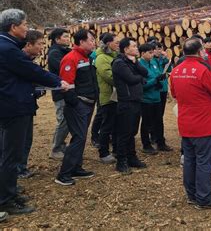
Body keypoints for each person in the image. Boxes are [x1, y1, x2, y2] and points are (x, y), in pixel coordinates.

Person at [0, 9, 66, 214]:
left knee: (9, 152)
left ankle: (9, 191)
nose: (27, 28)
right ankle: (5, 200)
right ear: (13, 27)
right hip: (13, 106)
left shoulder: (8, 45)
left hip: (12, 104)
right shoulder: (7, 49)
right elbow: (31, 71)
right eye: (25, 24)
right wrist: (57, 81)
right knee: (11, 154)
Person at [170, 38, 211, 209]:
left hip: (186, 123)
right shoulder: (203, 70)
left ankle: (191, 194)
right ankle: (203, 198)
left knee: (189, 160)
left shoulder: (176, 70)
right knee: (203, 162)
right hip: (203, 124)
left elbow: (173, 93)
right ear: (200, 51)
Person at [55, 29, 98, 186]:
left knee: (81, 137)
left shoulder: (88, 57)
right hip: (78, 104)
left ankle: (76, 167)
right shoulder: (71, 58)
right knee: (78, 137)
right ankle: (63, 174)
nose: (94, 43)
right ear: (81, 42)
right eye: (91, 40)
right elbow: (66, 84)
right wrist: (75, 103)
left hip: (88, 102)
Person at [112, 38, 148, 174]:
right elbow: (131, 79)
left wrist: (136, 65)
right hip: (126, 101)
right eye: (134, 46)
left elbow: (144, 72)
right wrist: (140, 78)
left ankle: (132, 157)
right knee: (124, 132)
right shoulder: (119, 63)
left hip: (136, 100)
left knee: (132, 131)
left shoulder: (132, 62)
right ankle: (121, 161)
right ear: (126, 49)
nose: (137, 48)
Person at [17, 30, 47, 179]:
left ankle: (21, 168)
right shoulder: (18, 62)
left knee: (26, 139)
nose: (42, 47)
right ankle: (16, 170)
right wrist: (36, 91)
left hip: (28, 106)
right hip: (17, 108)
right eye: (40, 44)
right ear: (29, 44)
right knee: (17, 141)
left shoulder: (30, 60)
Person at [47, 27, 71, 160]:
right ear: (57, 39)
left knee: (66, 120)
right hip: (60, 91)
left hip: (67, 90)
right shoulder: (55, 53)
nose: (68, 39)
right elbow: (63, 71)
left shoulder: (64, 51)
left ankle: (61, 145)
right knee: (63, 120)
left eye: (68, 36)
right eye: (65, 37)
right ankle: (55, 149)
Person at [95, 33, 119, 164]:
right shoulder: (101, 58)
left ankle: (116, 149)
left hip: (117, 96)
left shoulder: (114, 56)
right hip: (108, 96)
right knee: (107, 125)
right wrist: (124, 79)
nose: (118, 45)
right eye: (116, 42)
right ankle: (103, 152)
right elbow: (109, 76)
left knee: (116, 125)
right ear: (109, 43)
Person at [138, 43, 163, 155]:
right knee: (146, 123)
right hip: (146, 99)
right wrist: (155, 81)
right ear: (143, 53)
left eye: (153, 52)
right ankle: (146, 145)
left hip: (156, 97)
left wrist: (160, 81)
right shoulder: (139, 65)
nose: (152, 54)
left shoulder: (153, 63)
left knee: (159, 121)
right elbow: (142, 85)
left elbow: (157, 75)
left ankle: (160, 142)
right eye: (150, 52)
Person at [152, 42, 173, 151]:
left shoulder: (163, 60)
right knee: (156, 116)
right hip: (155, 90)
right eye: (157, 49)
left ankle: (158, 138)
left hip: (163, 89)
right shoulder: (151, 61)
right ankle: (156, 139)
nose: (159, 51)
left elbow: (170, 70)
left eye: (161, 49)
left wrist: (166, 60)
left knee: (160, 115)